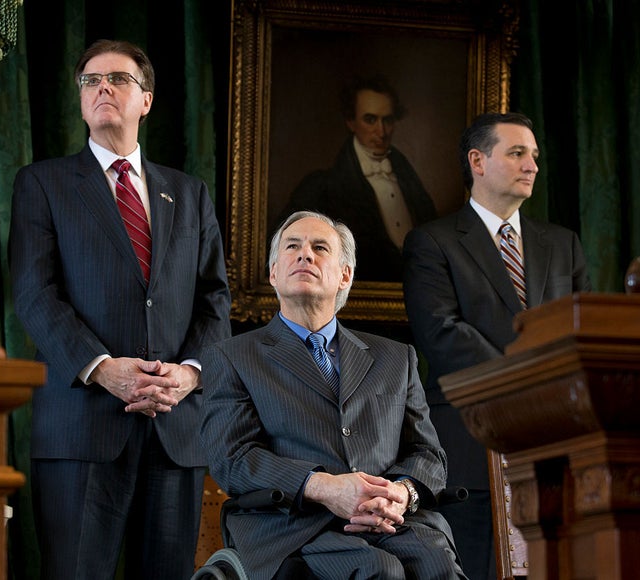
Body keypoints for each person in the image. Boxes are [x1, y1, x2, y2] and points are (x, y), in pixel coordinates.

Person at [8, 39, 232, 580]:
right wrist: (104, 370)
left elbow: (214, 300)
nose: (102, 88)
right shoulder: (42, 184)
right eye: (90, 81)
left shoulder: (190, 192)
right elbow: (35, 294)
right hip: (80, 427)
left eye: (117, 79)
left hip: (175, 429)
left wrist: (188, 374)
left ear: (147, 100)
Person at [200, 210, 467, 579]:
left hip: (392, 522)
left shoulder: (396, 357)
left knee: (436, 562)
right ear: (274, 273)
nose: (305, 254)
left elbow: (428, 454)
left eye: (320, 247)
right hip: (291, 525)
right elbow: (233, 459)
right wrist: (325, 488)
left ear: (345, 275)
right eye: (292, 246)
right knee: (379, 570)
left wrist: (400, 493)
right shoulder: (231, 357)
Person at [402, 112, 592, 579]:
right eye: (517, 153)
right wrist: (527, 382)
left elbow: (581, 332)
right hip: (468, 441)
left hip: (555, 438)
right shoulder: (432, 242)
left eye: (534, 156)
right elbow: (441, 333)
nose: (532, 165)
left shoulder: (563, 245)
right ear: (477, 161)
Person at [278, 74, 437, 282]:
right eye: (370, 120)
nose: (381, 131)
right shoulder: (322, 187)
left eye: (387, 120)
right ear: (351, 122)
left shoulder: (409, 179)